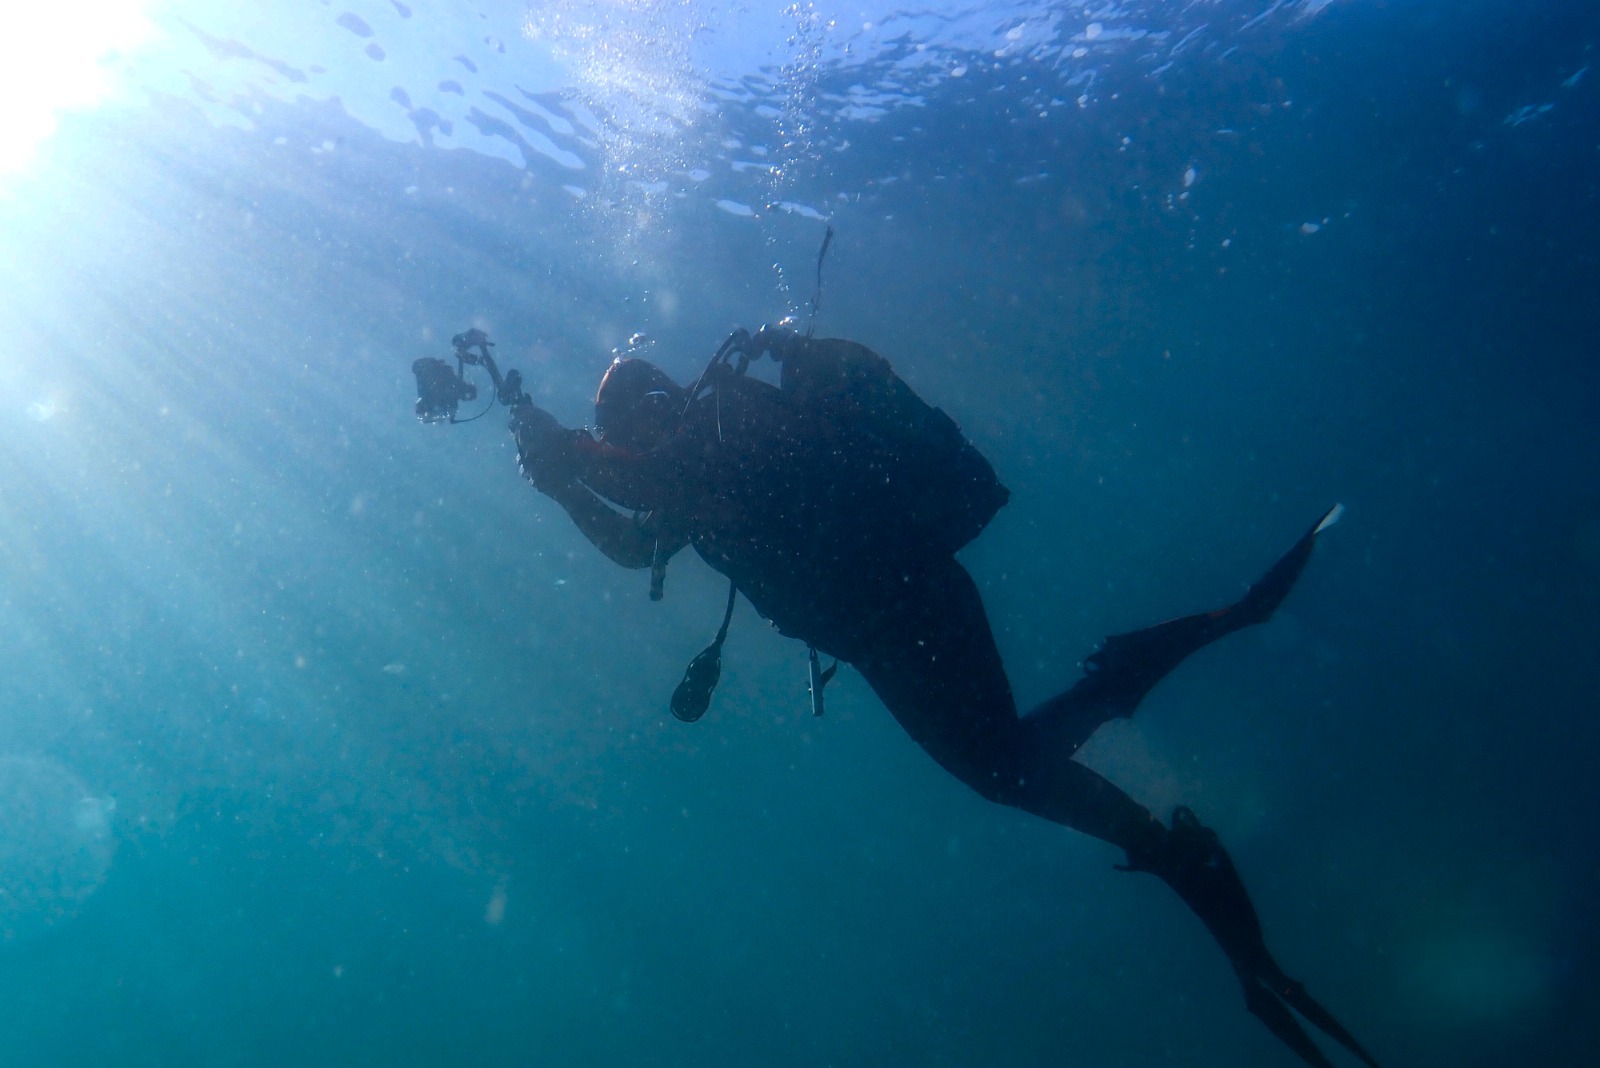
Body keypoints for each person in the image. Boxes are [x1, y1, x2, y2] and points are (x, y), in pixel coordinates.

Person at [506, 324, 1381, 1068]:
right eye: (615, 422)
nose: (627, 428)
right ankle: (1160, 804)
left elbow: (644, 495)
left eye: (622, 415)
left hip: (905, 607)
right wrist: (562, 482)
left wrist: (566, 462)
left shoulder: (716, 434)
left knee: (999, 769)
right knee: (1001, 767)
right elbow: (634, 542)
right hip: (895, 619)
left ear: (651, 405)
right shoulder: (694, 458)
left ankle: (1152, 742)